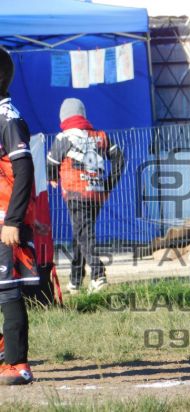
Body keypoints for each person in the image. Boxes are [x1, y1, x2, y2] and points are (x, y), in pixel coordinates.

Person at [47, 98, 124, 294]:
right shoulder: (100, 136)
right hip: (96, 193)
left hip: (75, 193)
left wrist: (52, 177)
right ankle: (75, 280)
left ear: (64, 116)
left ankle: (98, 275)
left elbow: (51, 162)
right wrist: (108, 185)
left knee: (83, 234)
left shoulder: (64, 137)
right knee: (80, 234)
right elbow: (120, 159)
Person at [0, 47, 38, 385]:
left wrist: (13, 220)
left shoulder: (7, 117)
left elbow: (23, 170)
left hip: (5, 221)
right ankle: (3, 348)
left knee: (7, 290)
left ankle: (17, 364)